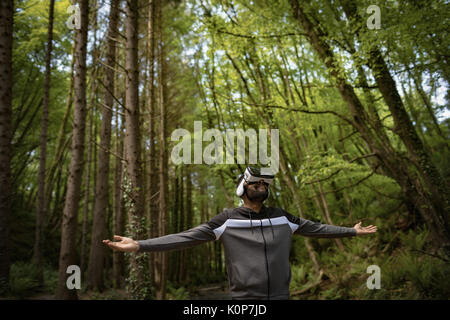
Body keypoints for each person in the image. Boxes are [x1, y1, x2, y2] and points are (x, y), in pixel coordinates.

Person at [103, 166, 377, 300]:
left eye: (264, 183)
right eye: (254, 181)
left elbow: (318, 228)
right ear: (242, 187)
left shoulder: (283, 217)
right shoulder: (226, 220)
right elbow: (184, 237)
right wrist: (140, 244)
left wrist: (351, 232)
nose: (260, 185)